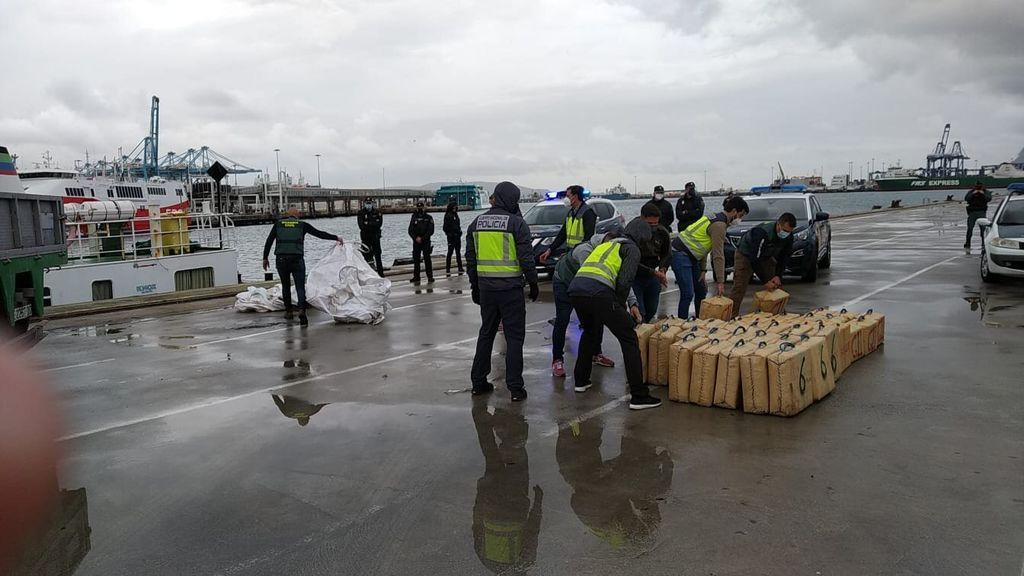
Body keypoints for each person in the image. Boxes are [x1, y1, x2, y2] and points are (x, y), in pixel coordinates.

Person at [568, 217, 662, 410]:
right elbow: (625, 281)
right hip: (598, 291)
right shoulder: (632, 249)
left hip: (576, 288)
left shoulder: (610, 243)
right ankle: (639, 395)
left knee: (590, 331)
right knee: (629, 336)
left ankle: (581, 381)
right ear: (642, 238)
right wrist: (619, 309)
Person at [466, 181, 539, 401]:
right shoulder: (517, 223)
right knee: (514, 337)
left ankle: (478, 382)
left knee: (486, 333)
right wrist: (534, 282)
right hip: (511, 289)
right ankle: (515, 388)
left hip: (487, 289)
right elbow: (526, 258)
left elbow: (471, 259)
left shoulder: (476, 223)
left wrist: (475, 286)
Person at [556, 419, 673, 551]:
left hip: (584, 483)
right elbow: (621, 477)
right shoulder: (616, 528)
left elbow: (620, 477)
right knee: (582, 437)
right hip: (581, 484)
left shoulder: (620, 525)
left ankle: (574, 424)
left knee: (579, 436)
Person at [550, 230, 642, 377]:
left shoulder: (609, 250)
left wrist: (632, 302)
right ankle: (557, 359)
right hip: (564, 282)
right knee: (562, 319)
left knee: (597, 317)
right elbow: (592, 278)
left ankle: (596, 353)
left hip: (584, 285)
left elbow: (621, 276)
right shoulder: (585, 251)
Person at [471, 402, 542, 574]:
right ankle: (483, 421)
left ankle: (510, 422)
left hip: (515, 505)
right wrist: (480, 495)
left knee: (518, 459)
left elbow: (531, 533)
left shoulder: (523, 565)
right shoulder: (487, 562)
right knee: (491, 456)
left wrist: (538, 503)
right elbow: (477, 527)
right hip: (491, 504)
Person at [670, 195, 749, 318]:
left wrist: (702, 270)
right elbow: (718, 255)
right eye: (741, 215)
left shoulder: (716, 218)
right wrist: (720, 282)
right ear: (734, 211)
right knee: (687, 293)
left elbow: (703, 246)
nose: (740, 219)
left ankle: (699, 320)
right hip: (680, 253)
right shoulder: (719, 225)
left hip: (692, 255)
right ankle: (681, 323)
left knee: (701, 289)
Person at [262, 207, 342, 326]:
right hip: (297, 259)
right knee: (300, 286)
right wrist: (336, 237)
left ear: (287, 215)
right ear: (297, 215)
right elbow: (319, 234)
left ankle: (288, 311)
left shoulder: (278, 224)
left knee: (285, 285)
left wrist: (265, 258)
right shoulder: (302, 225)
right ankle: (301, 310)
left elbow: (269, 241)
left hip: (281, 259)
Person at [729, 212, 796, 316]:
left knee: (775, 285)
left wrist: (778, 275)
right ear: (778, 224)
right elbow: (754, 259)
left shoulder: (789, 236)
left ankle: (776, 313)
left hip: (766, 256)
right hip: (746, 254)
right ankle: (731, 316)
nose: (786, 233)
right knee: (739, 287)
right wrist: (765, 281)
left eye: (789, 232)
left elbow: (784, 257)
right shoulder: (762, 233)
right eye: (784, 230)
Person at [539, 185, 596, 264]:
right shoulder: (570, 213)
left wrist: (571, 253)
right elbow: (562, 235)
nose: (566, 198)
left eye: (568, 196)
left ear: (575, 196)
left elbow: (588, 238)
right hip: (572, 255)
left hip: (582, 256)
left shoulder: (587, 213)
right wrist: (549, 250)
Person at [634, 203, 671, 323]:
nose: (653, 227)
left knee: (651, 309)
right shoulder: (633, 232)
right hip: (635, 275)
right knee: (640, 312)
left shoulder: (661, 232)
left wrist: (663, 268)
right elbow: (631, 261)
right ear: (642, 218)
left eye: (655, 224)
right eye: (649, 224)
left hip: (653, 275)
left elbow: (667, 253)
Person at [408, 201, 435, 284]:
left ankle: (430, 276)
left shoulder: (428, 217)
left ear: (424, 207)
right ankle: (416, 276)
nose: (420, 209)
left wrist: (422, 238)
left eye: (421, 207)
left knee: (427, 259)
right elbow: (410, 230)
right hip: (416, 241)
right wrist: (415, 238)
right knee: (416, 260)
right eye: (418, 207)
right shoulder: (414, 217)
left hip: (425, 241)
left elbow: (431, 230)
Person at [357, 197, 384, 276]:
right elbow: (361, 226)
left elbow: (379, 224)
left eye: (370, 203)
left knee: (378, 256)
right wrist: (373, 224)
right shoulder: (361, 213)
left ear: (372, 203)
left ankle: (381, 274)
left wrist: (368, 223)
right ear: (364, 204)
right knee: (366, 257)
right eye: (367, 203)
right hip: (366, 238)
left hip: (375, 237)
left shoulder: (377, 212)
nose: (368, 205)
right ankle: (367, 275)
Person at [964, 182, 993, 250]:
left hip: (981, 212)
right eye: (977, 186)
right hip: (972, 212)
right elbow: (967, 198)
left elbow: (988, 199)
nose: (978, 188)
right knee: (970, 228)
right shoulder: (971, 192)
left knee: (983, 229)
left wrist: (982, 194)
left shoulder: (985, 192)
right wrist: (974, 193)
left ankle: (983, 243)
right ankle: (968, 243)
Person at [443, 201, 465, 276]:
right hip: (451, 237)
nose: (455, 208)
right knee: (450, 252)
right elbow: (445, 227)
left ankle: (460, 267)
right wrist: (449, 234)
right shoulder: (448, 216)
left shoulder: (456, 215)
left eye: (456, 207)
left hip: (457, 236)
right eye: (454, 207)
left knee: (458, 252)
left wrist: (460, 232)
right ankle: (448, 268)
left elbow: (458, 225)